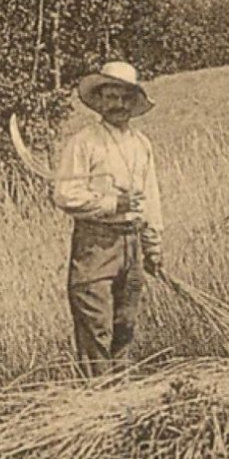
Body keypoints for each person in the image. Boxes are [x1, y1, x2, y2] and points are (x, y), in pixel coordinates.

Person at [51, 61, 164, 373]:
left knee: (125, 325)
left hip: (132, 243)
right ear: (99, 101)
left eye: (125, 98)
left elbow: (151, 198)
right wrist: (112, 203)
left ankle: (121, 401)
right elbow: (64, 194)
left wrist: (153, 245)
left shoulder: (142, 145)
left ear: (134, 100)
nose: (118, 105)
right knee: (95, 325)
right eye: (111, 98)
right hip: (96, 243)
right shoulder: (84, 142)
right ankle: (97, 402)